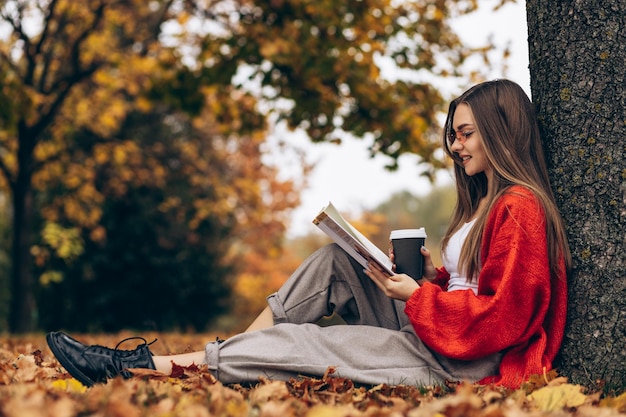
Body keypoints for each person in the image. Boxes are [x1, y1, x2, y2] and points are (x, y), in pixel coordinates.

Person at [46, 79, 572, 390]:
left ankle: (142, 368)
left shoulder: (520, 207)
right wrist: (430, 278)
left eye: (466, 134)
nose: (456, 146)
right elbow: (475, 289)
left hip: (462, 362)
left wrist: (418, 297)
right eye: (452, 135)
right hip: (440, 333)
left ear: (502, 131)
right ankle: (222, 354)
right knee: (336, 262)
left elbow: (502, 320)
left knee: (307, 343)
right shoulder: (487, 204)